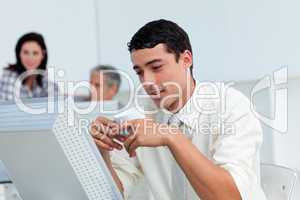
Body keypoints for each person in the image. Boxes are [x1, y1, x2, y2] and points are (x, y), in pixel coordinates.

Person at [91, 19, 267, 200]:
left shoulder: (231, 107)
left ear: (186, 60)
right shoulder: (142, 113)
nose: (147, 81)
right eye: (139, 72)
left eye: (156, 67)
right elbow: (115, 192)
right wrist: (102, 152)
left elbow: (229, 198)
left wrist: (171, 136)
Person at [0, 32, 57, 101]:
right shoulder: (10, 77)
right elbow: (12, 109)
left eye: (35, 53)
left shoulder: (42, 78)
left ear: (43, 55)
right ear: (19, 54)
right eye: (26, 52)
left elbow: (57, 98)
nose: (30, 58)